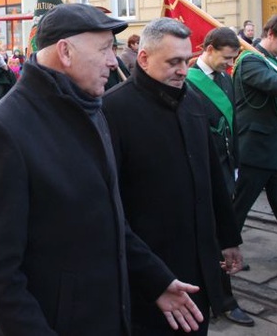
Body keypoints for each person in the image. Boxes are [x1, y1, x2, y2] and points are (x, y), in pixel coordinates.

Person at [0, 4, 204, 335]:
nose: (112, 61)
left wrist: (155, 280)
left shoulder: (92, 109)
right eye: (104, 49)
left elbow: (109, 221)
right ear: (65, 51)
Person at [103, 18, 243, 334]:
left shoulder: (192, 100)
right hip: (151, 270)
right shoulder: (113, 109)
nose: (182, 70)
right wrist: (150, 276)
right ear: (144, 58)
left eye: (186, 61)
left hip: (199, 261)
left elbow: (213, 178)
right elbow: (109, 206)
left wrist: (229, 237)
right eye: (173, 62)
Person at [185, 27, 253, 327]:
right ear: (208, 49)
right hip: (199, 169)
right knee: (208, 235)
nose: (229, 64)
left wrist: (235, 165)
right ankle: (222, 299)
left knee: (223, 231)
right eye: (225, 58)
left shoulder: (225, 78)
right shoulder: (187, 82)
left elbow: (233, 123)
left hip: (224, 168)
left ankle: (220, 291)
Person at [231, 14, 277, 236]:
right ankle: (224, 253)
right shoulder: (250, 59)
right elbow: (273, 83)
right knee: (238, 210)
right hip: (254, 151)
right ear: (271, 34)